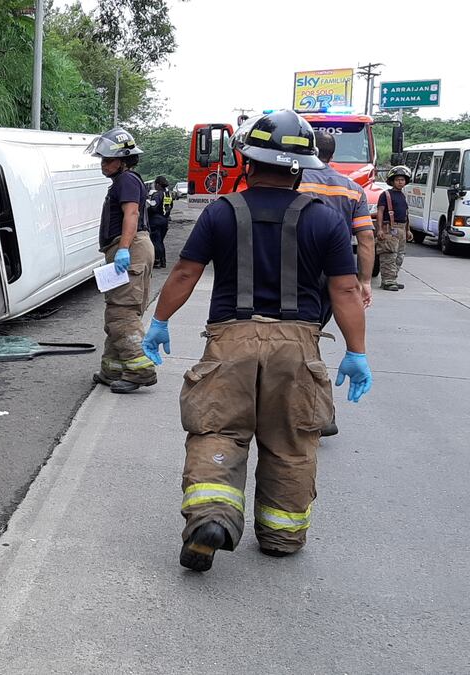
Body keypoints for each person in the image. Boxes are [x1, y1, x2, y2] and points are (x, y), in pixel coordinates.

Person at [141, 110, 372, 573]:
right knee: (290, 441)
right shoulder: (325, 220)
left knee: (217, 431)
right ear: (299, 167)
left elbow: (186, 272)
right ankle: (281, 534)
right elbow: (345, 290)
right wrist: (356, 352)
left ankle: (211, 518)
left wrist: (159, 320)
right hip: (298, 344)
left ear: (245, 160)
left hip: (231, 341)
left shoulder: (222, 212)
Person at [87, 127, 157, 394]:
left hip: (131, 247)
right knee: (116, 309)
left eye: (108, 160)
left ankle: (141, 370)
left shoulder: (127, 180)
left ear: (124, 159)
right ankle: (113, 368)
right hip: (129, 246)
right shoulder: (123, 181)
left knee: (122, 311)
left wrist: (124, 249)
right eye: (102, 160)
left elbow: (131, 214)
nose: (103, 164)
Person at [299, 131, 376, 308]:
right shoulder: (354, 189)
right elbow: (367, 239)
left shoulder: (292, 182)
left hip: (296, 264)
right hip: (336, 268)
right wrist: (365, 282)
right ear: (332, 156)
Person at [376, 165, 413, 292]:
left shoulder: (403, 196)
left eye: (402, 180)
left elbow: (406, 214)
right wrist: (379, 229)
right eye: (397, 179)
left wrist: (408, 230)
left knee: (399, 256)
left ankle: (393, 279)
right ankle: (388, 281)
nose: (400, 182)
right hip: (389, 228)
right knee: (389, 254)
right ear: (391, 181)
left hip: (402, 229)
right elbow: (380, 211)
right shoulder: (385, 195)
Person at [147, 175, 173, 268]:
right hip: (165, 220)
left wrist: (147, 209)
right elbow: (170, 206)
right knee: (160, 241)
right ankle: (163, 261)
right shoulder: (168, 194)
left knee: (156, 241)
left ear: (158, 184)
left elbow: (153, 207)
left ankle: (157, 261)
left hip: (155, 221)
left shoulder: (157, 195)